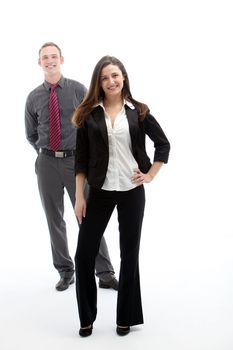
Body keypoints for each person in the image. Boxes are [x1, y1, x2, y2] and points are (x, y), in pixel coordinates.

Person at [72, 55, 170, 337]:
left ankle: (125, 317)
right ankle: (86, 317)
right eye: (104, 78)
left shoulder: (138, 111)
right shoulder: (88, 113)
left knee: (129, 255)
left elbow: (163, 145)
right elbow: (81, 160)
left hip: (131, 192)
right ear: (98, 83)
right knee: (84, 255)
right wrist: (80, 196)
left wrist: (149, 175)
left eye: (115, 75)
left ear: (123, 77)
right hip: (99, 192)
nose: (111, 81)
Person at [25, 43, 118, 292]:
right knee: (53, 218)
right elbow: (31, 133)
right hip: (46, 163)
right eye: (45, 57)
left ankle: (105, 272)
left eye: (53, 56)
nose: (49, 60)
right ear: (39, 63)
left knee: (87, 216)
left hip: (75, 163)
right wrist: (46, 154)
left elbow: (94, 126)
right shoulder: (33, 97)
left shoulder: (78, 90)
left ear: (61, 59)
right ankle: (66, 271)